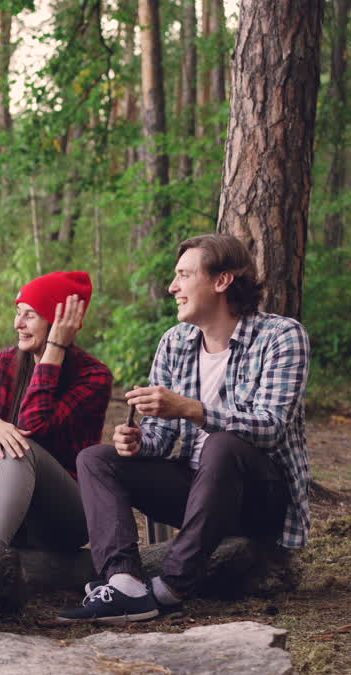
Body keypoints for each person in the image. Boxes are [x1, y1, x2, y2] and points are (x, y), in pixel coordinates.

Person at [58, 234, 310, 623]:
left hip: (259, 499)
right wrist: (139, 443)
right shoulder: (175, 342)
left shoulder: (281, 336)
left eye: (183, 275)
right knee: (96, 459)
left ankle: (171, 587)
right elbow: (161, 440)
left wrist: (191, 409)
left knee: (222, 446)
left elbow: (271, 428)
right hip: (197, 494)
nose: (172, 287)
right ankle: (125, 584)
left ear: (222, 281)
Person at [0, 271, 112, 552]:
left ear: (58, 323)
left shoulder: (93, 377)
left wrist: (54, 350)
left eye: (30, 315)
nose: (17, 324)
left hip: (66, 517)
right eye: (18, 312)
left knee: (20, 448)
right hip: (10, 513)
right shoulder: (4, 364)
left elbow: (34, 424)